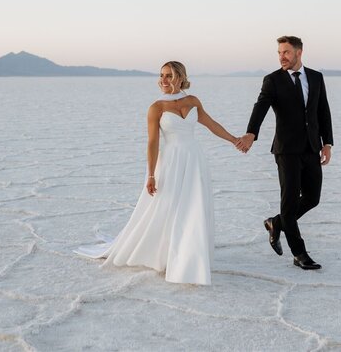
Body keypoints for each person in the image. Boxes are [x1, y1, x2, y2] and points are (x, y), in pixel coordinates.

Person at [74, 61, 240, 285]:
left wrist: (234, 140)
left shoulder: (193, 101)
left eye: (169, 75)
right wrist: (151, 175)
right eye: (161, 75)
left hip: (194, 160)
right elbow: (152, 143)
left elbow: (211, 124)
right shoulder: (157, 107)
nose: (163, 80)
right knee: (167, 207)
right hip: (170, 162)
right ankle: (164, 253)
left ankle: (190, 256)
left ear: (180, 77)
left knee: (193, 206)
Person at [237, 36, 333, 270]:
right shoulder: (273, 80)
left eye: (286, 52)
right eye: (279, 52)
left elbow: (323, 110)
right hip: (286, 150)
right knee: (289, 203)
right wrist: (251, 133)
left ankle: (275, 223)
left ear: (299, 52)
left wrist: (327, 143)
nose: (282, 56)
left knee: (313, 198)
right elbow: (260, 106)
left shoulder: (316, 77)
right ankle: (300, 253)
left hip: (311, 147)